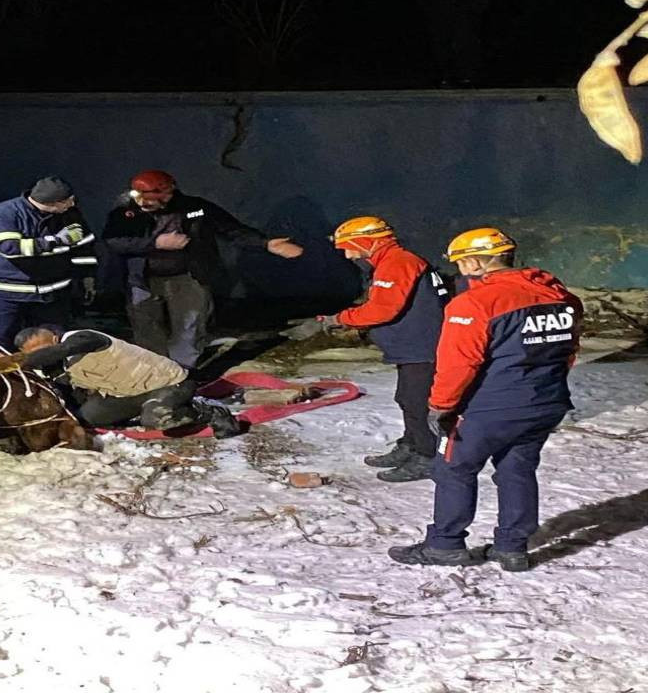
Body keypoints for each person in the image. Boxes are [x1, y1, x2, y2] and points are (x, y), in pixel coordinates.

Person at [389, 228, 583, 572]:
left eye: (462, 262)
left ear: (476, 262)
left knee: (453, 470)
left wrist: (440, 405)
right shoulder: (561, 297)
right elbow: (567, 352)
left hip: (486, 408)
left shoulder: (474, 304)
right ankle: (512, 547)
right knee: (518, 470)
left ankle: (444, 545)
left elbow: (458, 362)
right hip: (544, 403)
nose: (461, 269)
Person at [101, 169, 304, 368]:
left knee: (189, 326)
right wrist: (156, 243)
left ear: (167, 193)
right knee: (147, 328)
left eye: (151, 197)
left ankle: (184, 372)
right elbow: (114, 241)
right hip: (142, 280)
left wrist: (265, 243)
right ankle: (156, 373)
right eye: (139, 197)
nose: (144, 203)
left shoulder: (195, 208)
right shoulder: (125, 212)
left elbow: (231, 229)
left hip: (188, 277)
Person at [321, 216, 450, 482]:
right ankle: (411, 445)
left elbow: (383, 308)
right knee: (406, 398)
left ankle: (427, 456)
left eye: (349, 247)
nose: (347, 255)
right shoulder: (393, 262)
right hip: (414, 345)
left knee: (417, 403)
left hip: (422, 346)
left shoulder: (397, 263)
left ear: (366, 242)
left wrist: (341, 319)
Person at [13, 326, 240, 435]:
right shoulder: (56, 368)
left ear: (54, 338)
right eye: (30, 353)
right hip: (126, 394)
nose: (39, 357)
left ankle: (207, 411)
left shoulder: (82, 338)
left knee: (159, 420)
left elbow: (64, 350)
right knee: (87, 419)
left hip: (168, 383)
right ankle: (144, 412)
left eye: (41, 350)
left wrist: (15, 361)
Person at [0, 176, 97, 351]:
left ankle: (48, 377)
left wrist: (87, 277)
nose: (72, 205)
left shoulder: (69, 215)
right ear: (52, 203)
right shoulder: (3, 214)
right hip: (6, 297)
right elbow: (10, 247)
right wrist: (56, 240)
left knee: (52, 344)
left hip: (53, 297)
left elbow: (84, 248)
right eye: (68, 201)